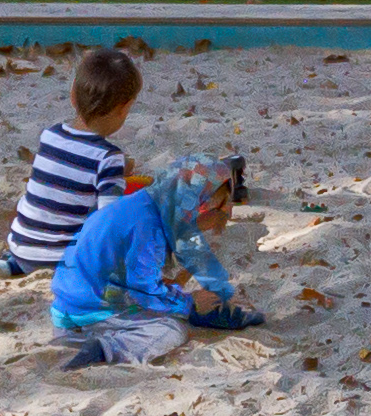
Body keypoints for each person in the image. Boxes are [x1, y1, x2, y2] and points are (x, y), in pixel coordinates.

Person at [51, 151, 252, 365]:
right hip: (89, 316)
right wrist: (191, 303)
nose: (225, 216)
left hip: (67, 311)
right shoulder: (149, 229)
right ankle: (104, 349)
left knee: (169, 309)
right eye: (217, 208)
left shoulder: (139, 205)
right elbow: (144, 291)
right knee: (172, 330)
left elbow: (131, 276)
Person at [0, 45, 141, 280]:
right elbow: (109, 222)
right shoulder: (109, 158)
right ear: (124, 108)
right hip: (63, 260)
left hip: (21, 246)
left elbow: (72, 171)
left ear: (73, 94)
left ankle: (9, 266)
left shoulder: (50, 135)